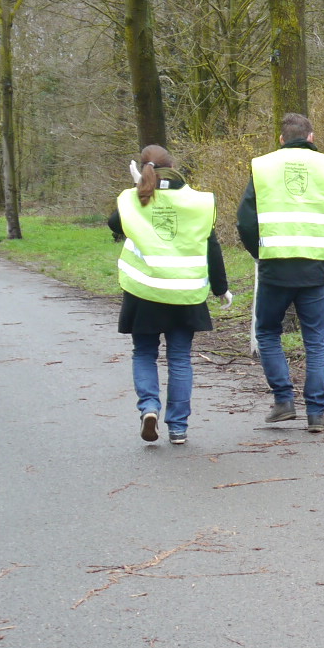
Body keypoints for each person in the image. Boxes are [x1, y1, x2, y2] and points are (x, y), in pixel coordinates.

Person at [237, 112, 324, 432]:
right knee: (315, 340)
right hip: (315, 269)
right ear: (311, 137)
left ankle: (283, 401)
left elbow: (244, 222)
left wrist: (260, 254)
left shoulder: (263, 166)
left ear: (281, 140)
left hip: (275, 267)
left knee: (267, 333)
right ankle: (316, 413)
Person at [107, 145, 229, 446]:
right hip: (185, 293)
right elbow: (211, 245)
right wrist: (220, 287)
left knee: (144, 353)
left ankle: (149, 408)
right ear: (173, 166)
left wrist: (139, 187)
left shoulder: (135, 197)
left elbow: (114, 224)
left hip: (143, 292)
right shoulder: (197, 201)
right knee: (180, 359)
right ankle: (178, 428)